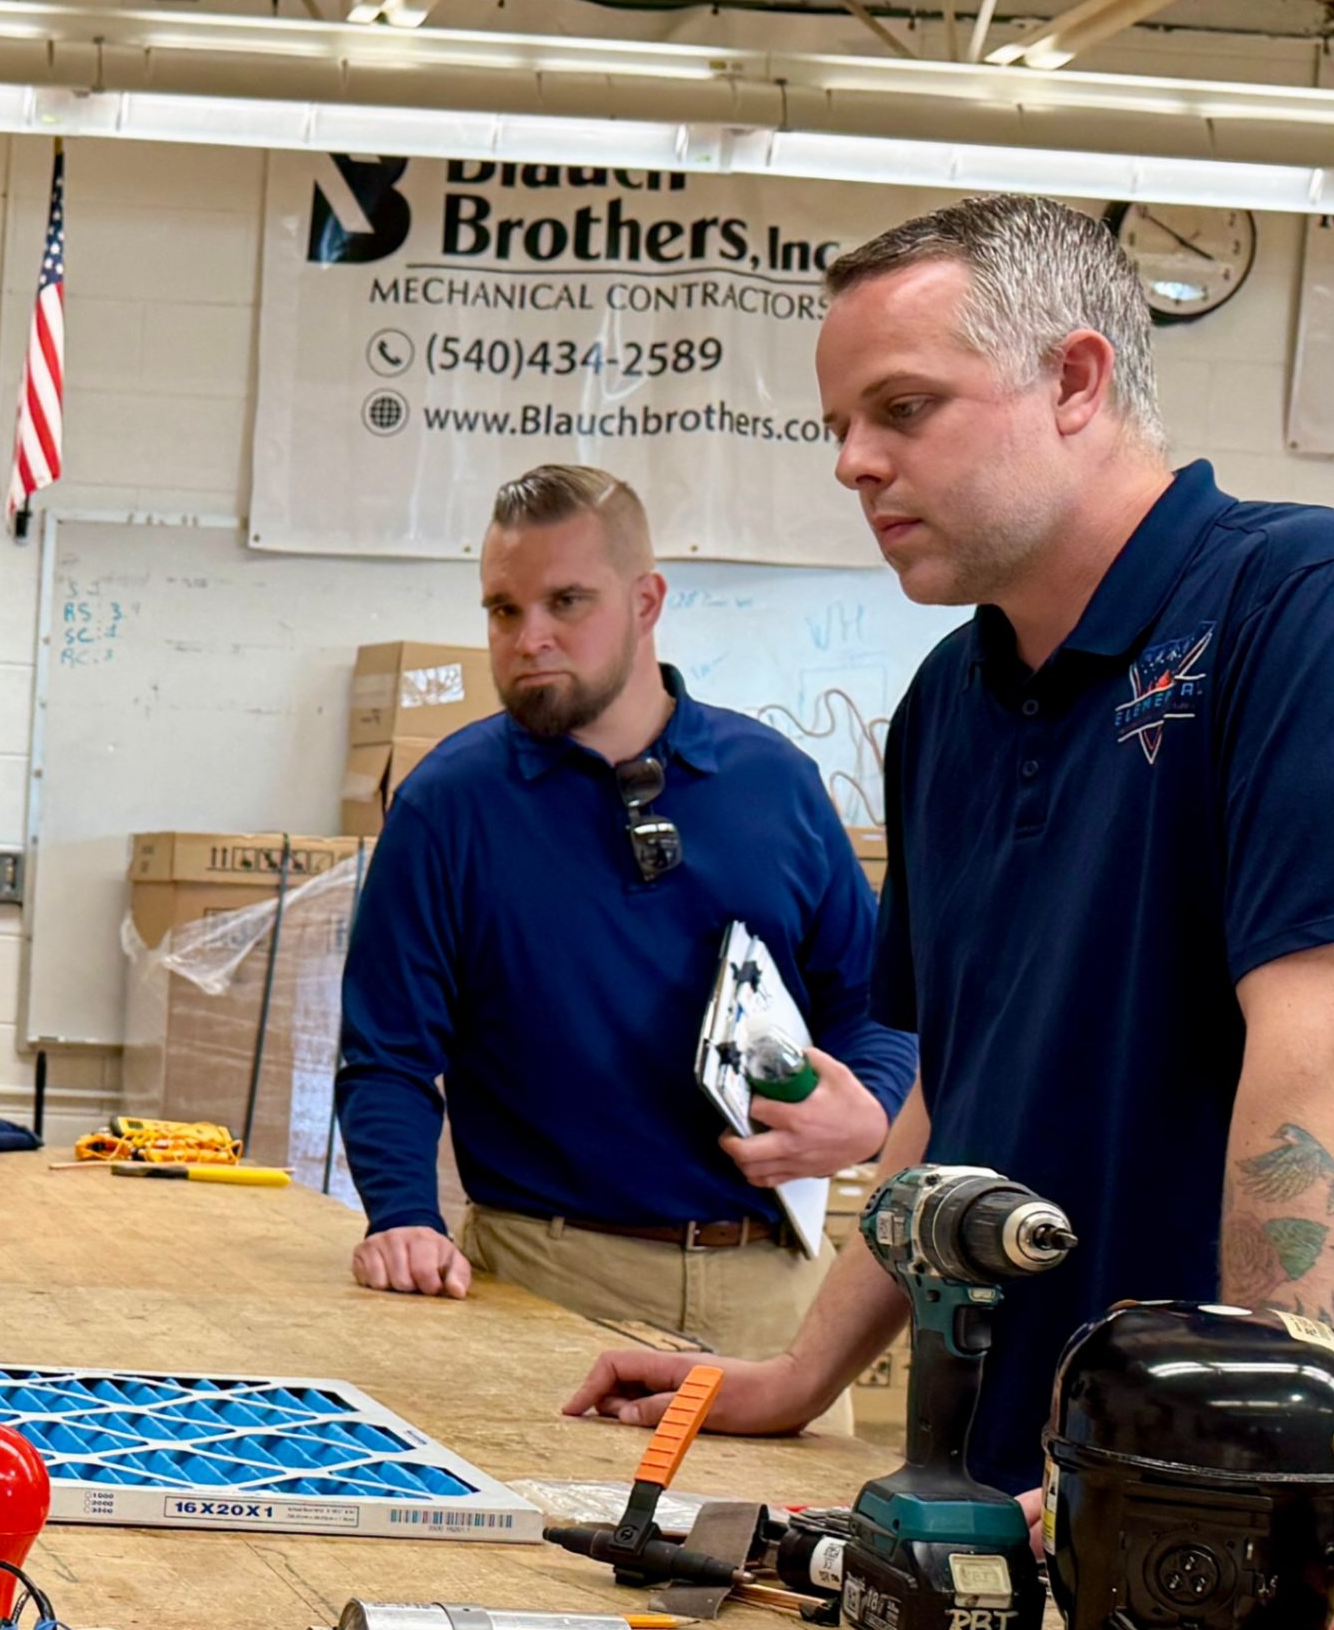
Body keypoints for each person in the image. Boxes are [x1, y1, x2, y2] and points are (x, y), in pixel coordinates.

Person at [578, 197, 1334, 1606]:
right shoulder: (948, 701)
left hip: (1249, 1493)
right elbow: (956, 1090)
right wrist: (803, 1370)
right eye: (841, 423)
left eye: (902, 408)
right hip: (1009, 1465)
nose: (852, 462)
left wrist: (1216, 1452)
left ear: (1075, 380)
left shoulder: (1309, 609)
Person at [335, 463, 910, 1369]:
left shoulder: (775, 785)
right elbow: (386, 1055)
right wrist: (404, 1217)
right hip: (543, 1288)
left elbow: (877, 1004)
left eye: (567, 601)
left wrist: (870, 1114)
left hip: (775, 1301)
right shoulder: (447, 807)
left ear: (646, 601)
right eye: (502, 609)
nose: (530, 638)